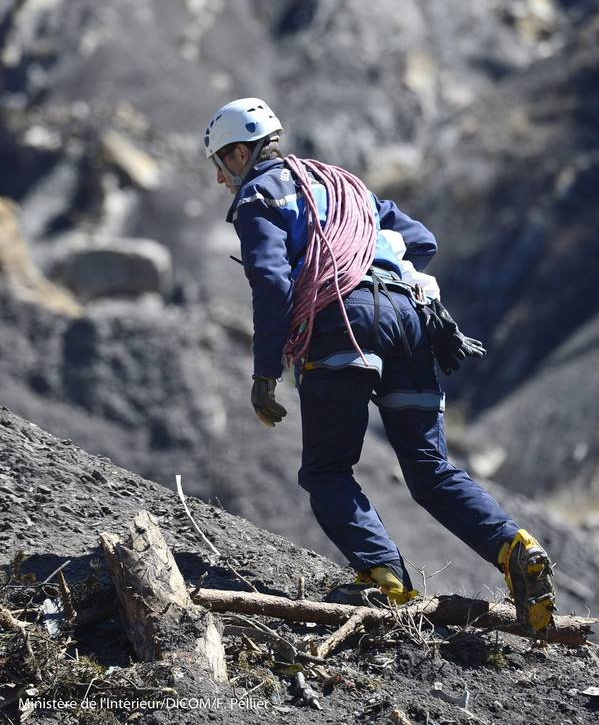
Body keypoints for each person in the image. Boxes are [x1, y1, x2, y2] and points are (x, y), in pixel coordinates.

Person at [204, 96, 555, 636]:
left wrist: (265, 372)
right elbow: (421, 241)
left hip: (342, 319)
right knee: (431, 471)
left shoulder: (260, 193)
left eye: (221, 166)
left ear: (239, 153)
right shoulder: (346, 187)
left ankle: (386, 581)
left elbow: (273, 282)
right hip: (411, 321)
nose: (223, 181)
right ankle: (516, 549)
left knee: (326, 470)